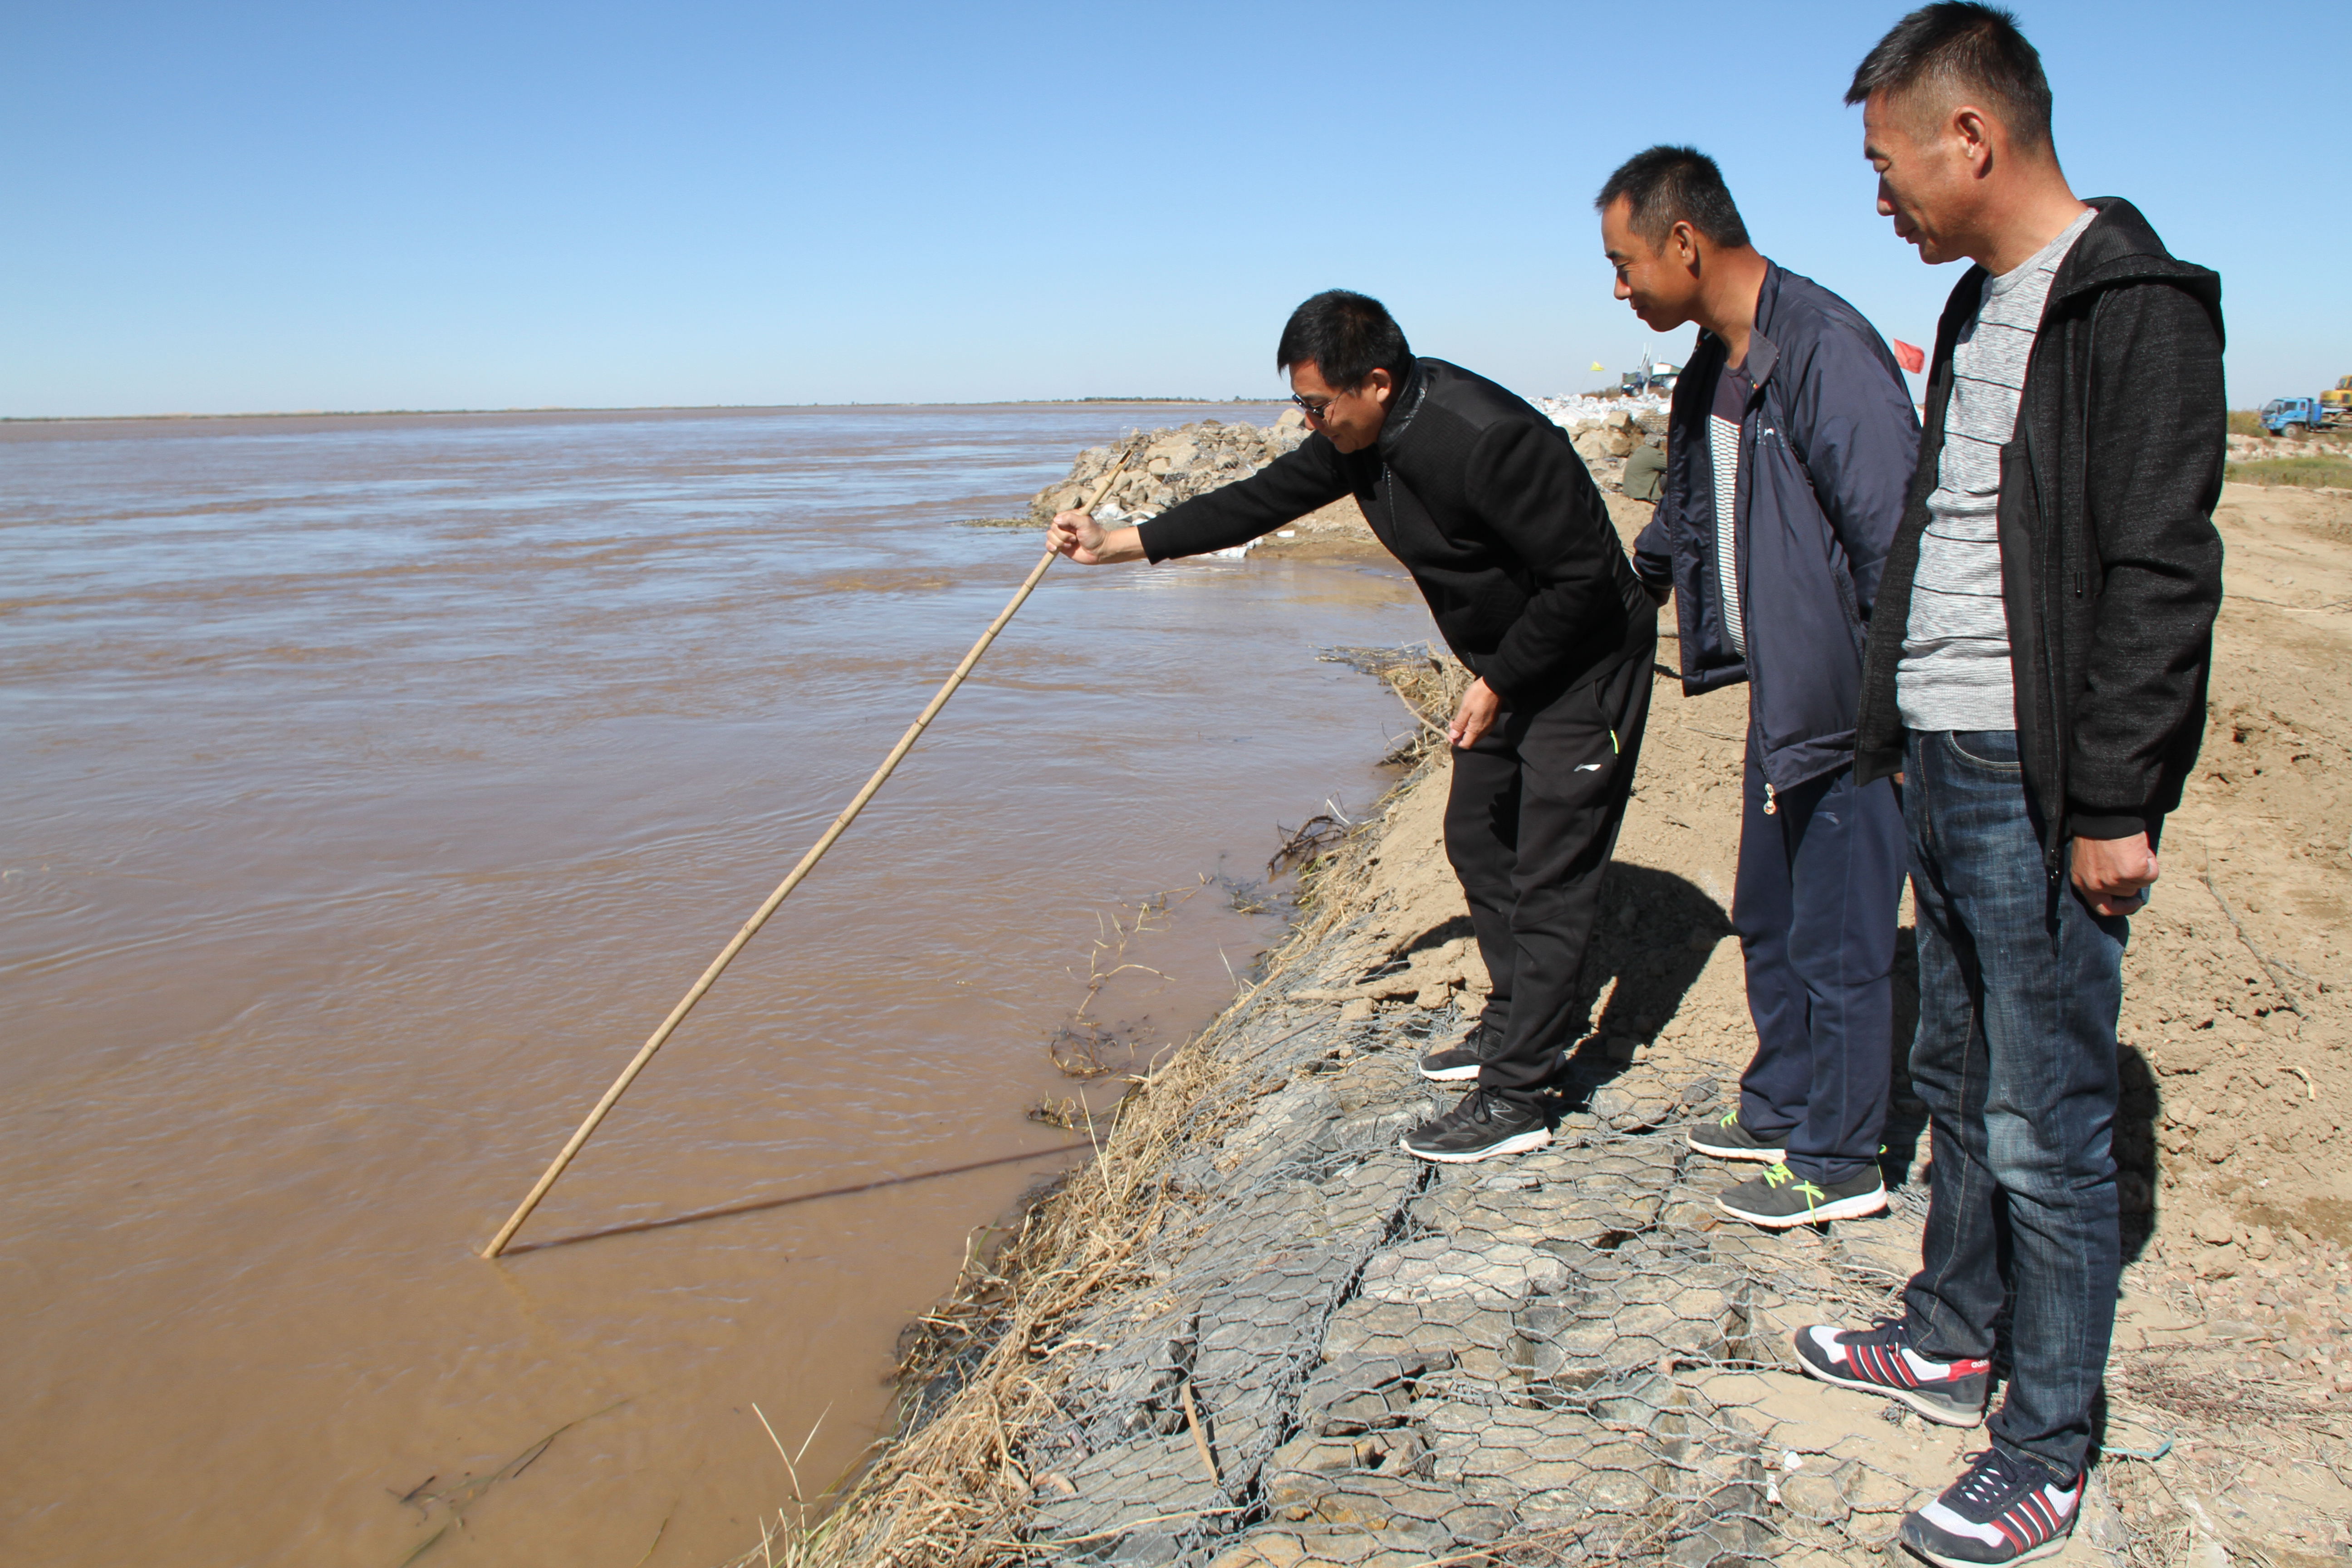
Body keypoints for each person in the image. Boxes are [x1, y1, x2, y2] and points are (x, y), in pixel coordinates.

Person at [1791, 9, 2225, 1565]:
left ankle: (2044, 1436)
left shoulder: (2135, 307)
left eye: (1882, 161)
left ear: (1965, 137)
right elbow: (1937, 529)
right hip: (1946, 755)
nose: (1880, 194)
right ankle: (1953, 1322)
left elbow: (2159, 576)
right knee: (1958, 1075)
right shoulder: (1982, 305)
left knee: (2046, 1121)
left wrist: (2114, 800)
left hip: (2046, 784)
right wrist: (1886, 723)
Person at [1048, 290, 1656, 1164]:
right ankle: (1516, 1021)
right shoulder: (1357, 441)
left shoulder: (1488, 439)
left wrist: (1500, 681)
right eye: (1301, 405)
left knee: (1553, 867)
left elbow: (1586, 586)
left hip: (1586, 661)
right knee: (1478, 833)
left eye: (1317, 405)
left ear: (1376, 382)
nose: (1308, 421)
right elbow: (1256, 500)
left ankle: (1521, 1094)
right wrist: (1119, 544)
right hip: (1511, 665)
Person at [1599, 146, 1920, 1229]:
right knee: (1772, 914)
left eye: (1624, 262)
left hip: (1847, 705)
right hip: (1782, 689)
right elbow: (1686, 515)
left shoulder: (1825, 350)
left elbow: (1896, 545)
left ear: (1683, 243)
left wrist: (1887, 718)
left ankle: (1841, 1158)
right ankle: (1784, 1102)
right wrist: (1611, 598)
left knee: (1841, 937)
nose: (1619, 288)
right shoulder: (1713, 366)